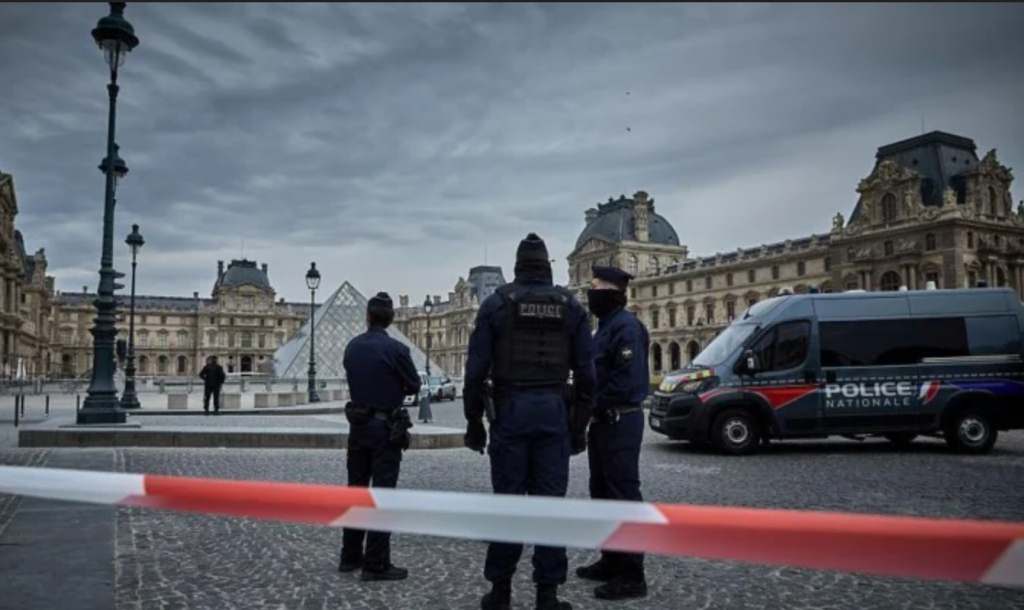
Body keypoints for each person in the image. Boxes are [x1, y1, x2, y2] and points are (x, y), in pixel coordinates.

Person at [464, 233, 596, 610]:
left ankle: (501, 591)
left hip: (509, 412)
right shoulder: (571, 307)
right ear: (549, 268)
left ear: (518, 267)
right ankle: (547, 595)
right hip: (554, 412)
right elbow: (587, 377)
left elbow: (475, 373)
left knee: (507, 504)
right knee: (550, 506)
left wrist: (474, 422)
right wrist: (579, 427)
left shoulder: (497, 304)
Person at [575, 266, 650, 600]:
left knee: (623, 495)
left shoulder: (627, 328)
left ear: (613, 293)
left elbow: (628, 382)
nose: (591, 293)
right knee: (602, 493)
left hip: (620, 419)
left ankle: (633, 574)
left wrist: (593, 401)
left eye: (596, 287)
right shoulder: (605, 328)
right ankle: (611, 559)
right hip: (604, 422)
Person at [338, 292, 421, 582]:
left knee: (356, 492)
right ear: (391, 319)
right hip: (385, 429)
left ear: (368, 317)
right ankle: (375, 564)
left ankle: (349, 557)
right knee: (381, 495)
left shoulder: (352, 347)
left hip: (357, 426)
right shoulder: (397, 349)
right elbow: (413, 385)